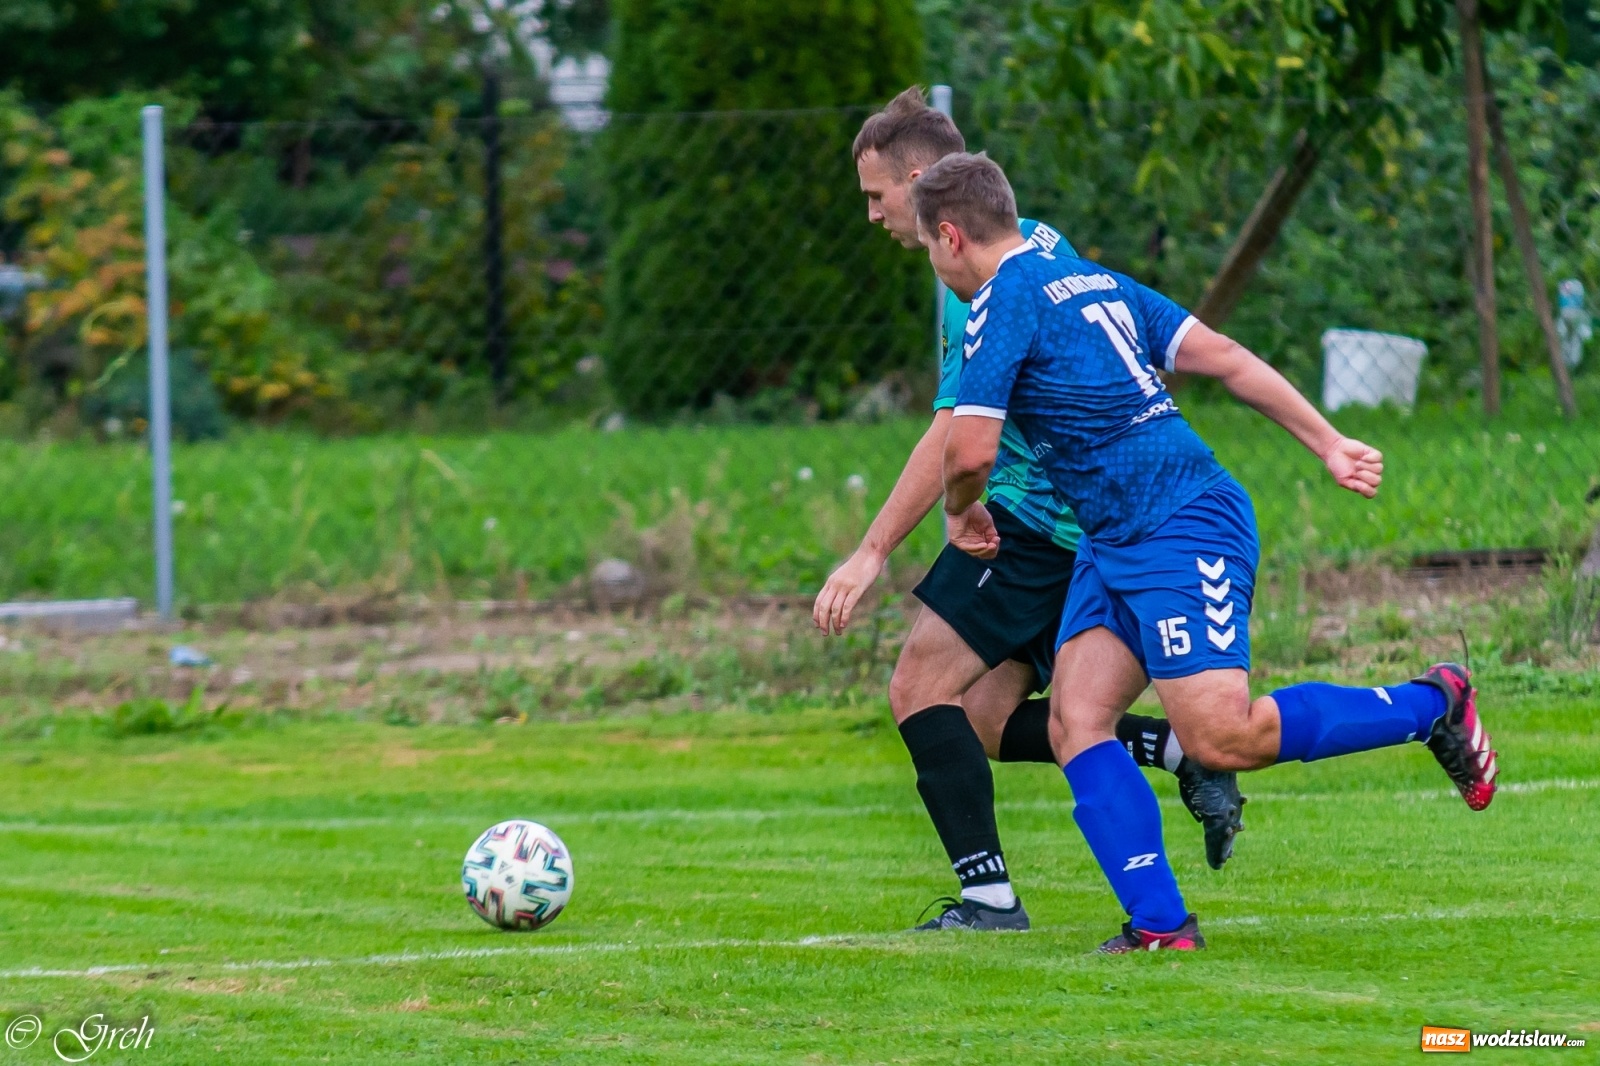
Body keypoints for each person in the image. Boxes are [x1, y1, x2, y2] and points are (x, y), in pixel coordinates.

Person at [918, 151, 1499, 952]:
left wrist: (959, 512)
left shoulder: (997, 301)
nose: (933, 266)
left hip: (1183, 525)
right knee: (1077, 721)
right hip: (1113, 537)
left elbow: (970, 450)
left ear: (950, 236)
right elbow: (1223, 357)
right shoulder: (1091, 279)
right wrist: (1325, 441)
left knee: (1226, 737)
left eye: (927, 248)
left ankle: (1434, 705)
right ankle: (1160, 924)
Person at [812, 89, 1244, 933]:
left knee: (918, 688)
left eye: (875, 195)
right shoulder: (1031, 237)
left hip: (1027, 520)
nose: (872, 215)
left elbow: (952, 432)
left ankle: (989, 900)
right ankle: (1178, 749)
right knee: (983, 716)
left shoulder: (975, 275)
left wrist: (869, 554)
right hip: (1087, 520)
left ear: (919, 181)